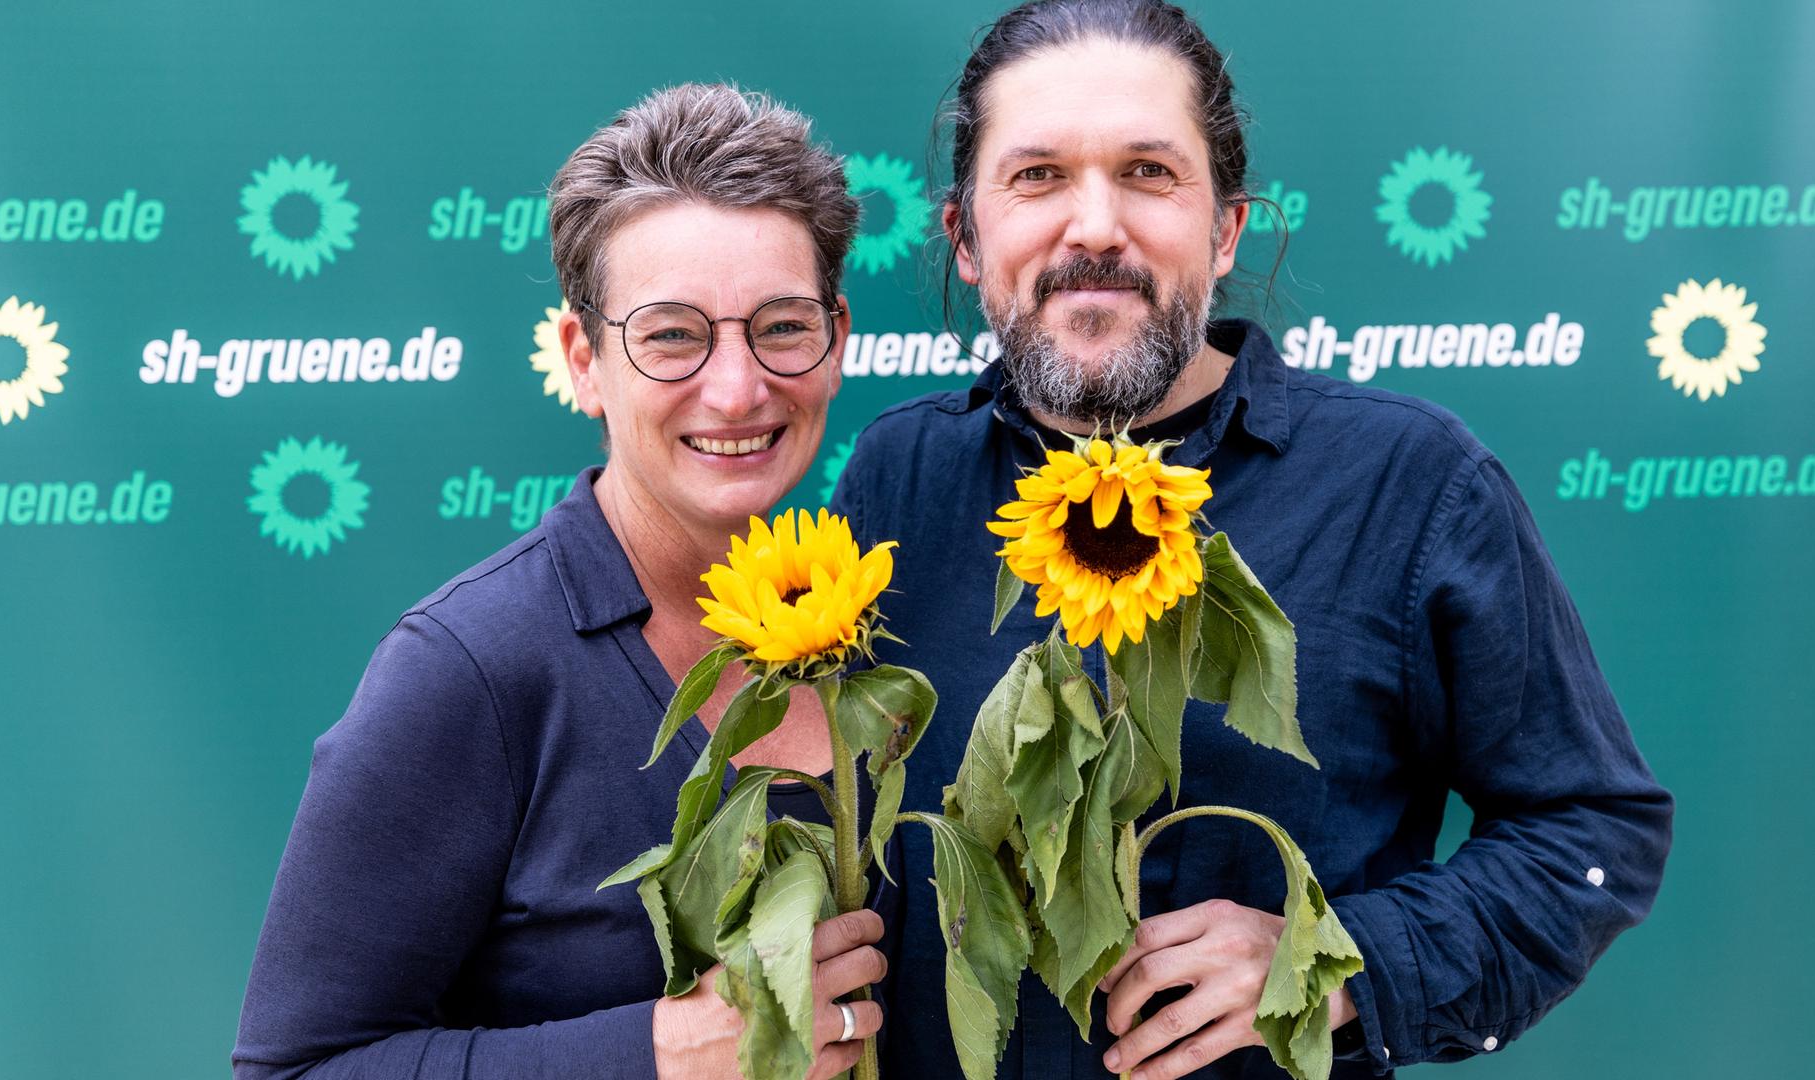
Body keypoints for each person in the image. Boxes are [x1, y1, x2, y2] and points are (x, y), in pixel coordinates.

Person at [831, 2, 1675, 1078]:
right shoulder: (896, 483)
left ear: (1226, 227)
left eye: (1148, 172)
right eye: (1037, 176)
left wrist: (1339, 966)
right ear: (963, 233)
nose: (1095, 226)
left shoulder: (1410, 488)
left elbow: (1593, 831)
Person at [234, 83, 889, 1080]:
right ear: (584, 359)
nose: (737, 386)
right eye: (673, 334)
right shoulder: (472, 669)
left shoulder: (887, 618)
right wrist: (661, 1053)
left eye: (782, 326)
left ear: (835, 340)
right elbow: (295, 1070)